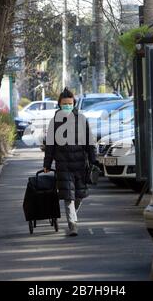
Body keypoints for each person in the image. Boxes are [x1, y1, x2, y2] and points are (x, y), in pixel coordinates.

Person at [43, 87, 97, 236]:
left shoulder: (81, 119)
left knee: (79, 195)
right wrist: (47, 164)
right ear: (59, 104)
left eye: (69, 103)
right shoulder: (54, 122)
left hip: (80, 165)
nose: (67, 105)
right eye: (64, 103)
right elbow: (50, 145)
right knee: (68, 197)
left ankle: (73, 216)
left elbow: (89, 142)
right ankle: (72, 224)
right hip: (63, 165)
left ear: (74, 104)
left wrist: (94, 160)